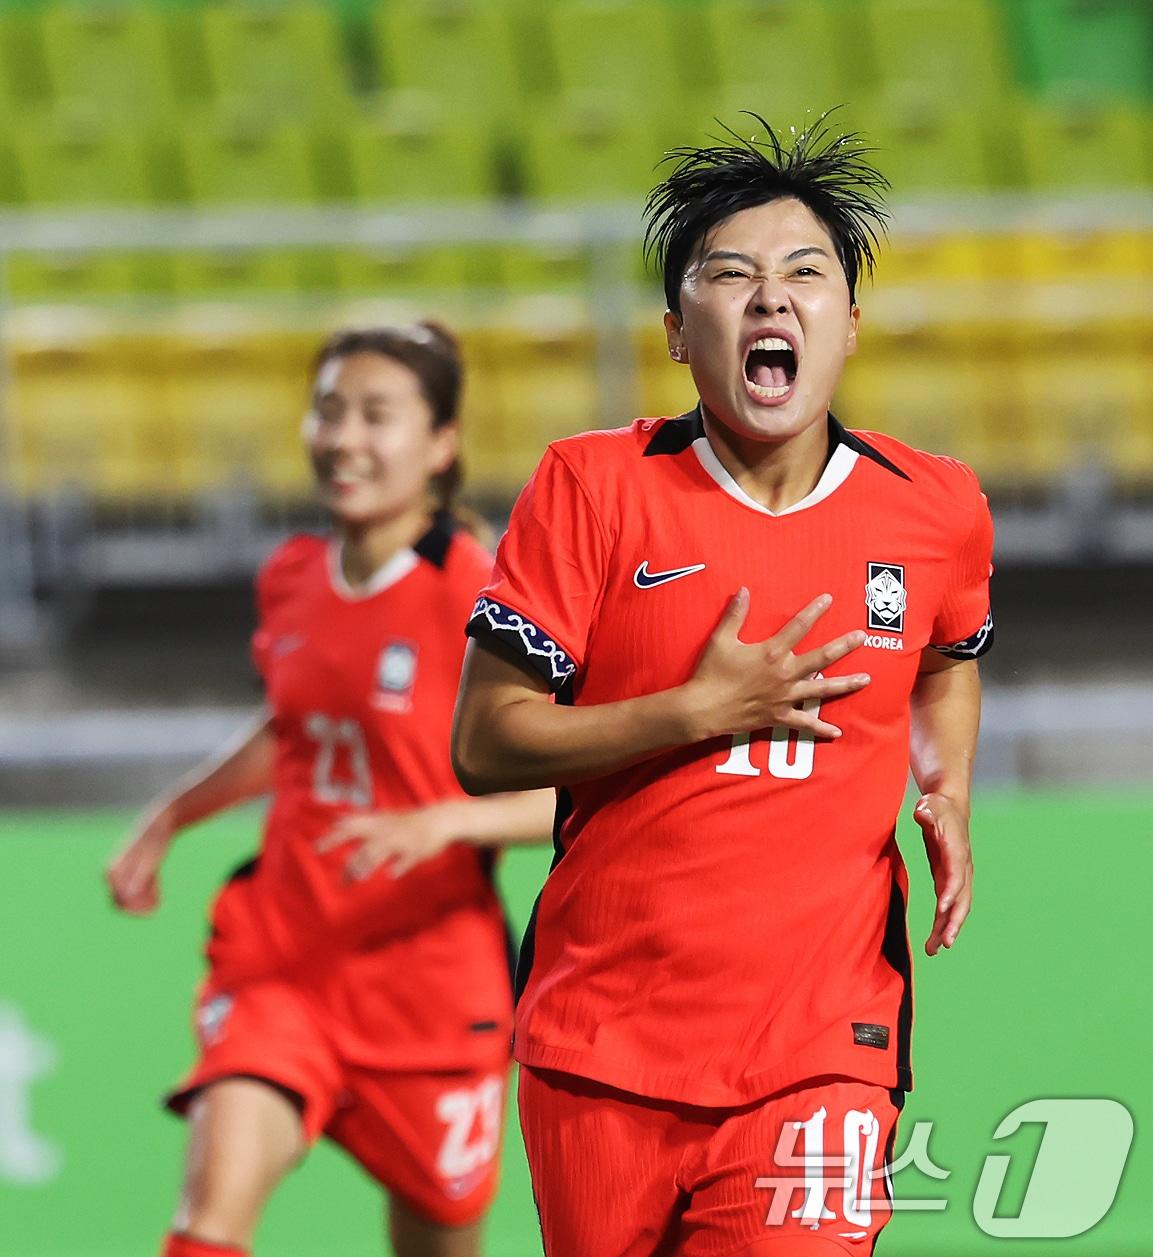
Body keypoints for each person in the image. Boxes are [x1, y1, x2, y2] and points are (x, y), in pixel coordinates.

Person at [452, 115, 994, 1256]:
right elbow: (486, 740)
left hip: (822, 1048)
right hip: (600, 1046)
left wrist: (945, 787)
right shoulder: (591, 487)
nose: (771, 301)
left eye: (806, 275)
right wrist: (697, 712)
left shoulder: (934, 507)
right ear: (674, 331)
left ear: (848, 324)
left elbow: (948, 658)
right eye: (730, 276)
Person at [106, 324, 554, 1257]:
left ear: (440, 444)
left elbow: (572, 790)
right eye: (328, 409)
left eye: (376, 415)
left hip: (428, 990)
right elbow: (296, 727)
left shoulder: (483, 596)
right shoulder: (293, 577)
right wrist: (170, 818)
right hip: (286, 958)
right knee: (204, 1227)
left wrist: (445, 822)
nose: (343, 437)